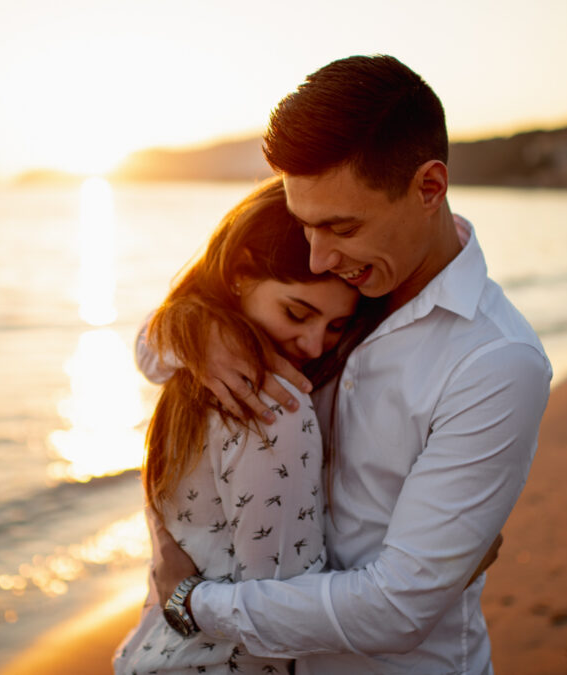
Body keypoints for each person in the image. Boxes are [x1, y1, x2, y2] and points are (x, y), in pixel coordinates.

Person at [137, 55, 552, 674]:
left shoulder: (495, 362)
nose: (320, 257)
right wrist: (200, 331)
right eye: (305, 225)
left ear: (429, 188)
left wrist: (192, 603)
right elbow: (155, 345)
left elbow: (397, 609)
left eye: (341, 228)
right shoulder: (338, 290)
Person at [113, 178, 363, 674]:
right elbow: (284, 611)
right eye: (297, 313)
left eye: (336, 326)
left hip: (154, 655)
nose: (314, 346)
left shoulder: (192, 375)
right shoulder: (270, 405)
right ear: (240, 276)